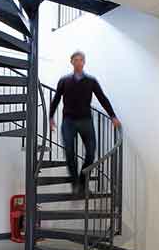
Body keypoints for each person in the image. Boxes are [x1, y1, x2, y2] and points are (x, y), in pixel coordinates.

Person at [49, 51, 121, 195]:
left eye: (81, 60)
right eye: (76, 60)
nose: (78, 62)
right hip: (68, 121)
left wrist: (113, 116)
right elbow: (56, 99)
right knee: (69, 153)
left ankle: (82, 181)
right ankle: (75, 184)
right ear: (72, 62)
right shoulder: (64, 80)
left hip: (85, 121)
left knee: (90, 154)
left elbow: (102, 98)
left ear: (84, 62)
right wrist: (50, 118)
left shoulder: (91, 81)